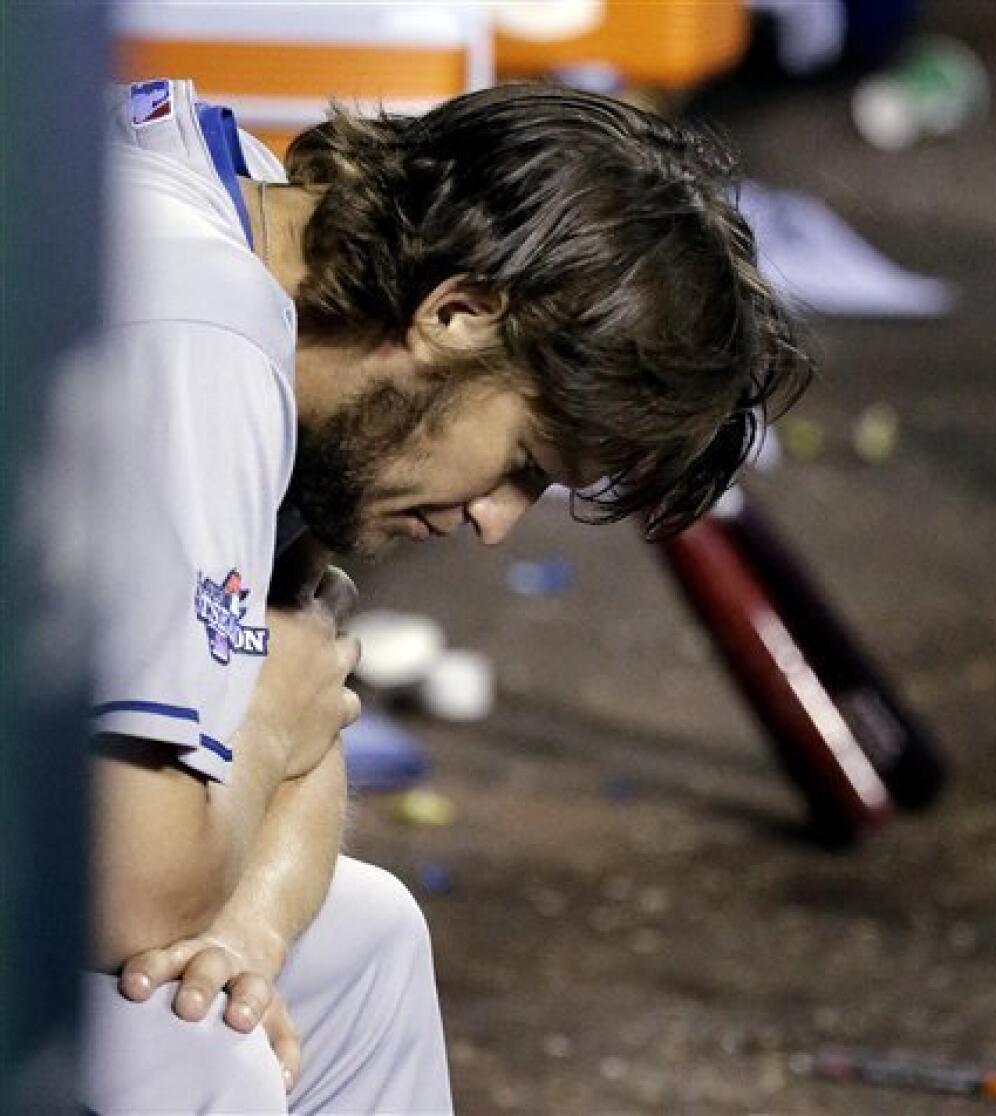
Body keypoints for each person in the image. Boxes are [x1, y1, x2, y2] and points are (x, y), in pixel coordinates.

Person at [80, 78, 811, 1112]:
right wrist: (262, 735)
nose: (496, 522)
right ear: (457, 312)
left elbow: (309, 698)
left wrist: (245, 936)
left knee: (358, 947)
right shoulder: (204, 330)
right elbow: (128, 883)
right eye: (524, 460)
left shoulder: (260, 245)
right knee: (200, 1054)